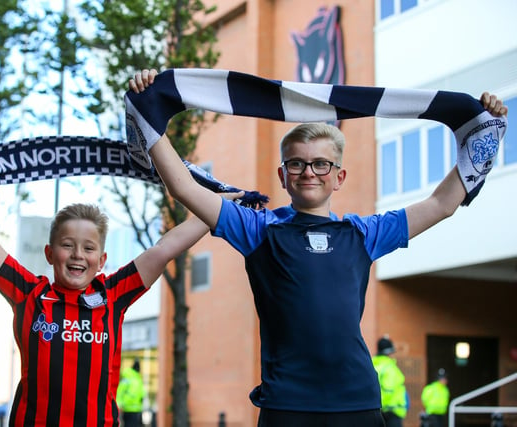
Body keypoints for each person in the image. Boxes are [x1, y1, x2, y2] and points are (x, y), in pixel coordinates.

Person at [128, 69, 508, 427]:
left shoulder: (364, 233)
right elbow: (183, 187)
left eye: (321, 164)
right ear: (283, 175)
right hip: (286, 405)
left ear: (339, 176)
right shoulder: (257, 229)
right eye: (297, 164)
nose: (309, 172)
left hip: (358, 402)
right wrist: (149, 106)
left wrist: (483, 134)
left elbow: (441, 205)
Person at [0, 166, 241, 427]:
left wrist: (218, 208)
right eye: (67, 245)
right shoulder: (30, 294)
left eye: (88, 248)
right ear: (49, 252)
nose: (77, 255)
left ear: (101, 261)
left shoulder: (113, 295)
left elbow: (165, 248)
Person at [372, 336, 407, 427]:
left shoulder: (372, 365)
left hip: (376, 412)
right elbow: (389, 390)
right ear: (389, 353)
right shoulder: (390, 368)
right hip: (391, 413)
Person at [116, 359, 145, 427]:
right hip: (128, 409)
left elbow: (142, 393)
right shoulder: (130, 379)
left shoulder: (138, 379)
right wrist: (119, 406)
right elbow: (120, 393)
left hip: (136, 410)